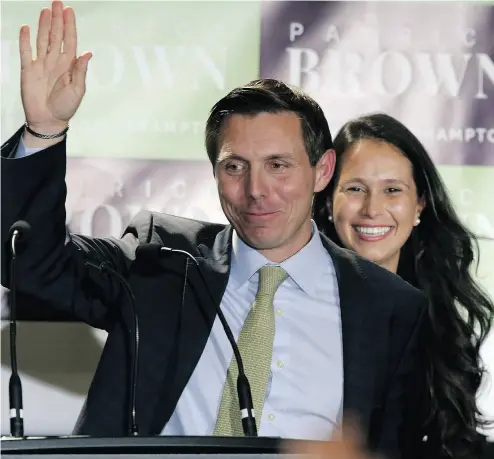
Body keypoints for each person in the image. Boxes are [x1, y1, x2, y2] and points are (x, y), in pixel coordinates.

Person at [1, 2, 427, 458]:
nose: (255, 190)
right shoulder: (160, 257)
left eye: (278, 166)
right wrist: (44, 131)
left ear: (322, 171)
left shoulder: (390, 307)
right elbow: (29, 262)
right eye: (235, 166)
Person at [313, 113, 494, 459]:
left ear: (419, 205)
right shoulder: (292, 306)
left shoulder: (438, 318)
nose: (372, 209)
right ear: (327, 201)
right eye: (355, 189)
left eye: (392, 190)